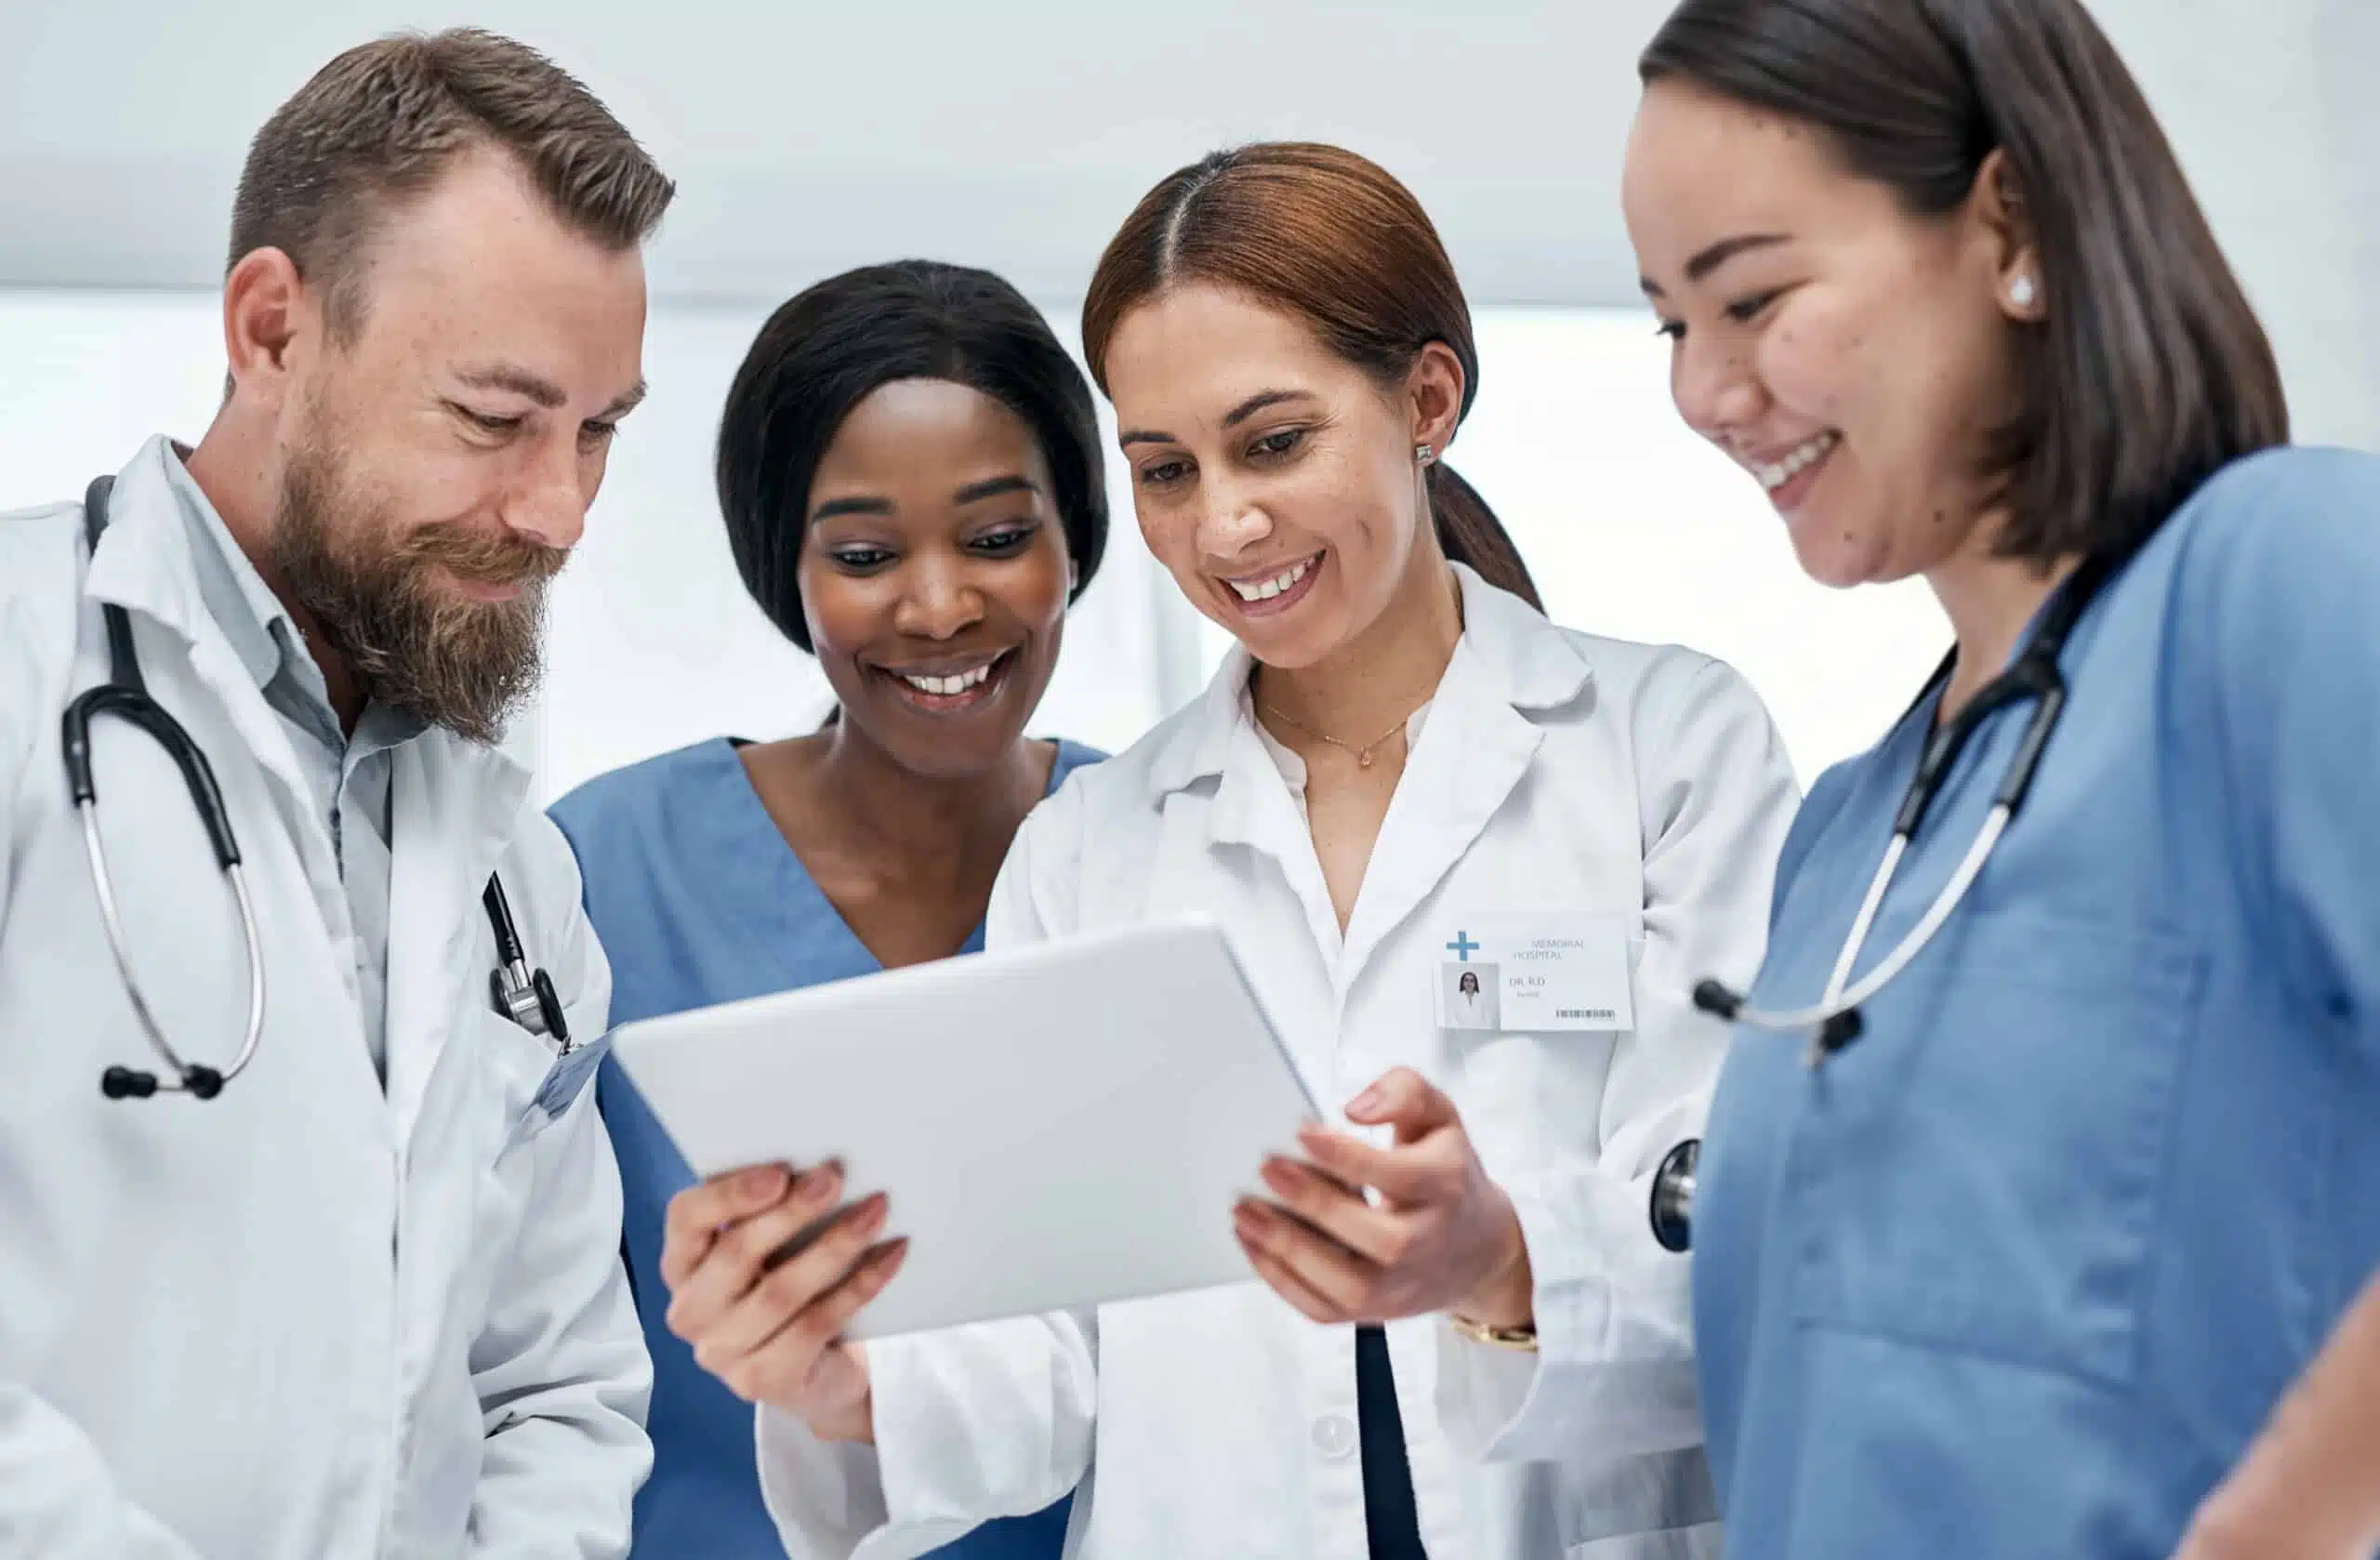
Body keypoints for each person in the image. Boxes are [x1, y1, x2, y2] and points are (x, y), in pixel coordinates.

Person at [663, 142, 1801, 1558]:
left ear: (1428, 398)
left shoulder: (1668, 747)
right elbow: (1047, 1349)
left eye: (1273, 443)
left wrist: (1503, 1255)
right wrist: (841, 1374)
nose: (1225, 525)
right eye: (1165, 469)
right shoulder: (1094, 845)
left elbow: (1763, 1229)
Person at [1620, 0, 2380, 1554]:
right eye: (1668, 326)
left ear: (2010, 223)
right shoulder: (1846, 839)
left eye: (1751, 297)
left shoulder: (2286, 582)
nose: (1702, 391)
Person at [0, 28, 670, 1558]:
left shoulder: (515, 868)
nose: (559, 510)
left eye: (599, 431)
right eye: (496, 420)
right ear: (272, 331)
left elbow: (557, 1382)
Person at [548, 259, 1105, 1559]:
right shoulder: (601, 870)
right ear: (779, 565)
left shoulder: (1161, 857)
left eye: (997, 535)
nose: (939, 602)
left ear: (1075, 535)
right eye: (862, 553)